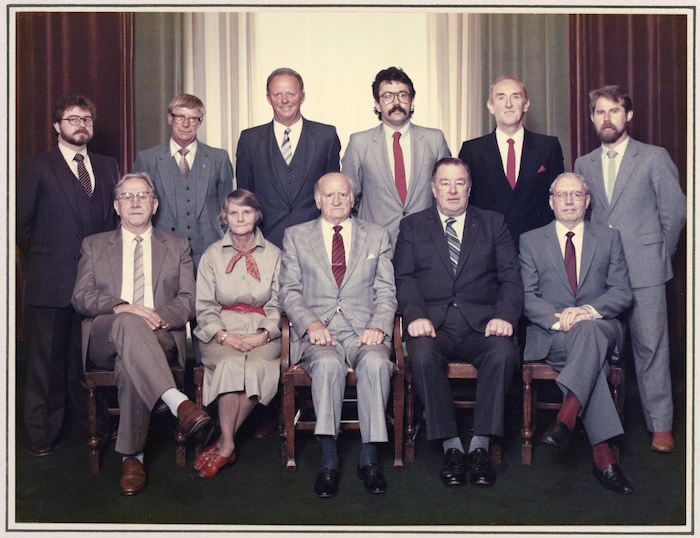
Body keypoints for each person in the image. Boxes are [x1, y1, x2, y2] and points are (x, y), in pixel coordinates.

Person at [72, 172, 211, 496]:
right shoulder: (93, 245)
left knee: (129, 364)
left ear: (154, 204)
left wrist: (157, 317)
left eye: (142, 195)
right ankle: (179, 403)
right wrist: (123, 307)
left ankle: (133, 457)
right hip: (107, 332)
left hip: (158, 333)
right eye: (127, 197)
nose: (135, 202)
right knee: (126, 322)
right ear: (117, 207)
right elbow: (81, 296)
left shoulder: (177, 246)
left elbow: (189, 300)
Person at [393, 157, 522, 488]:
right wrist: (415, 315)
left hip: (482, 323)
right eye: (445, 183)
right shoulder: (413, 226)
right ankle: (451, 446)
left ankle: (480, 445)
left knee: (503, 353)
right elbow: (404, 278)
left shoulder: (493, 223)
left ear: (469, 187)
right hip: (433, 324)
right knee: (420, 356)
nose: (452, 190)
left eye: (460, 182)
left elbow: (511, 278)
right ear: (433, 188)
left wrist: (504, 317)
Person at [574, 85, 686, 453]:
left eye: (614, 111)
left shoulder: (653, 157)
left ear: (628, 115)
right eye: (600, 112)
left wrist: (657, 254)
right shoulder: (583, 164)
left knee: (651, 346)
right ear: (592, 118)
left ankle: (660, 425)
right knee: (603, 348)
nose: (607, 119)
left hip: (645, 271)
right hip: (603, 275)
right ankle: (604, 428)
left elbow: (675, 211)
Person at [279, 172, 397, 498]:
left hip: (364, 331)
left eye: (342, 195)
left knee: (376, 365)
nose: (335, 201)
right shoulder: (296, 236)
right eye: (328, 195)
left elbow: (386, 292)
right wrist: (311, 324)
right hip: (320, 333)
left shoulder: (376, 235)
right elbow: (288, 292)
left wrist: (378, 325)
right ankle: (329, 460)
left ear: (352, 198)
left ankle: (369, 458)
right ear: (317, 200)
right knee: (329, 368)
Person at [17, 94, 120, 456]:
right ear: (57, 126)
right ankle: (41, 435)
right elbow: (21, 225)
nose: (81, 125)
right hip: (51, 281)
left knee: (87, 361)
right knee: (45, 365)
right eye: (73, 118)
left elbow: (111, 225)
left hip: (95, 286)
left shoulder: (108, 166)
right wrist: (50, 261)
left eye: (87, 119)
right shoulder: (36, 165)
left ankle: (87, 428)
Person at [519, 172, 634, 494]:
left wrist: (587, 312)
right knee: (590, 356)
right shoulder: (530, 240)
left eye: (576, 194)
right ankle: (604, 458)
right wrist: (560, 320)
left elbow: (622, 292)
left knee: (590, 332)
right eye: (562, 194)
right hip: (553, 333)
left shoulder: (609, 238)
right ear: (551, 201)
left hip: (601, 325)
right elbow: (527, 296)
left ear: (587, 201)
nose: (569, 200)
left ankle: (567, 416)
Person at [192, 189, 282, 478]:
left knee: (256, 366)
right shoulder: (211, 255)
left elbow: (281, 301)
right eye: (233, 212)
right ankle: (229, 444)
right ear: (224, 218)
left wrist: (265, 334)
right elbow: (204, 306)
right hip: (221, 331)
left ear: (257, 215)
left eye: (246, 211)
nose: (240, 218)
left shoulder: (275, 255)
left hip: (263, 329)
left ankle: (222, 443)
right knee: (230, 363)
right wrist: (224, 336)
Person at [342, 66, 451, 245]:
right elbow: (348, 198)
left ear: (412, 101)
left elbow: (446, 192)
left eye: (402, 95)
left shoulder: (434, 140)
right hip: (375, 243)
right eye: (387, 96)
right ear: (377, 104)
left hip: (426, 241)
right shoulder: (359, 143)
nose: (396, 102)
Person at [236, 67, 341, 249]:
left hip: (316, 243)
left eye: (291, 94)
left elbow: (333, 193)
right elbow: (245, 196)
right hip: (265, 242)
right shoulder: (249, 140)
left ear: (302, 97)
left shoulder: (326, 136)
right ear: (268, 98)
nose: (284, 100)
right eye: (277, 94)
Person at [458, 76, 565, 246]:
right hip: (487, 249)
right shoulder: (472, 151)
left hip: (536, 249)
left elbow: (558, 200)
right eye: (501, 97)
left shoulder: (548, 147)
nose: (508, 104)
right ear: (491, 106)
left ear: (526, 104)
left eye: (515, 97)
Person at [133, 93, 234, 268]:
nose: (186, 124)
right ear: (170, 119)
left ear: (200, 122)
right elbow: (138, 210)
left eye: (193, 118)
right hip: (163, 254)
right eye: (180, 117)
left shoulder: (219, 158)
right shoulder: (148, 159)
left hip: (210, 253)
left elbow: (228, 207)